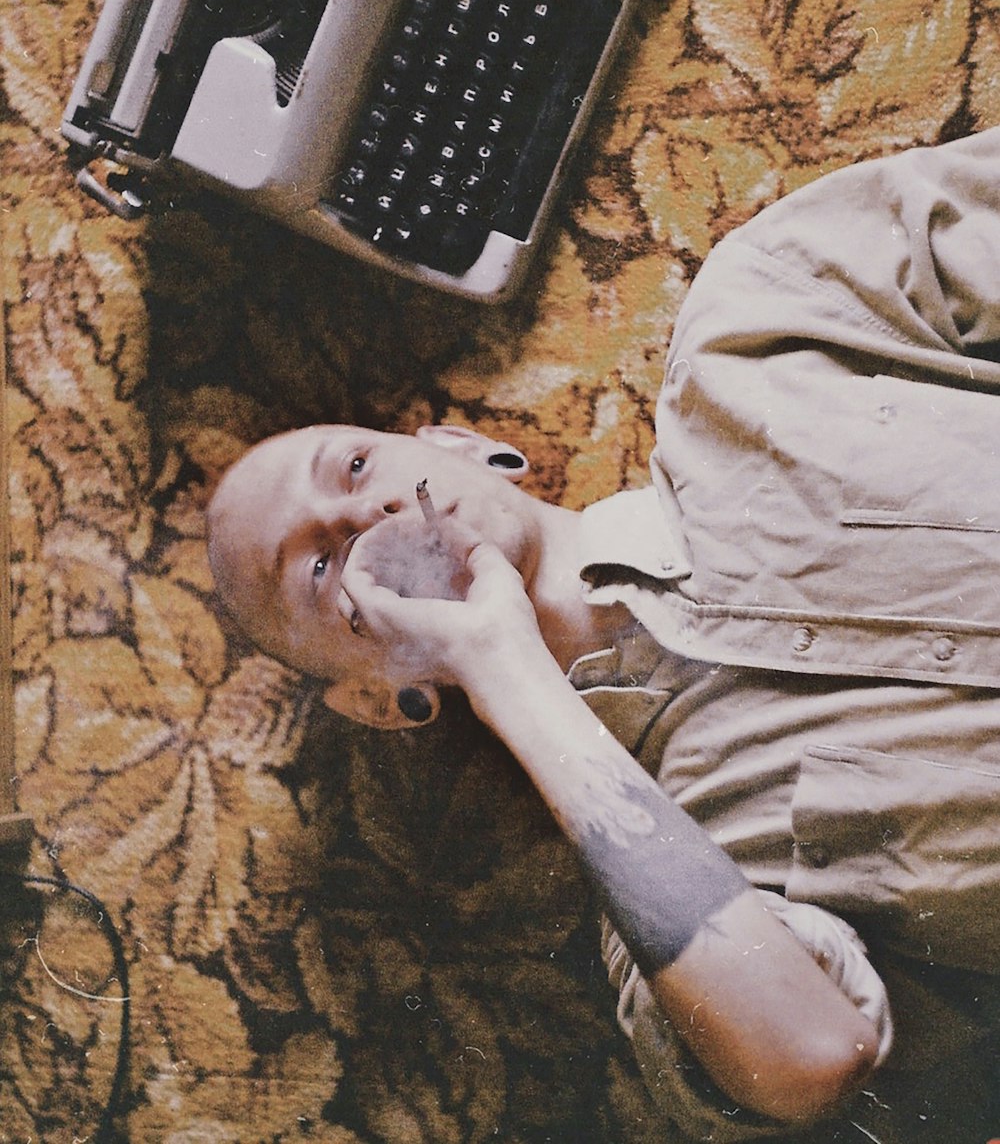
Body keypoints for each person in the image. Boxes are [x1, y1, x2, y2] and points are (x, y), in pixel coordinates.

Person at [207, 127, 1000, 1142]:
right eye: (317, 569)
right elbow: (811, 1056)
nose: (363, 521)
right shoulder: (682, 901)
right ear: (378, 700)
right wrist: (501, 666)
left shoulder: (757, 327)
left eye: (354, 469)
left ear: (466, 448)